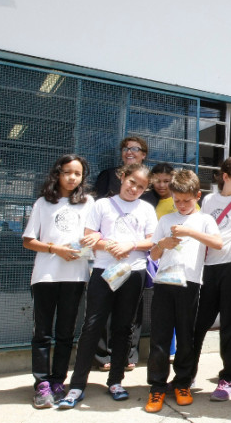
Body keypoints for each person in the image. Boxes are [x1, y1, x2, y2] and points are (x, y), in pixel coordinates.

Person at [58, 163, 157, 409]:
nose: (134, 188)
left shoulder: (146, 209)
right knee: (92, 325)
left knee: (124, 328)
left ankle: (116, 381)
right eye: (132, 181)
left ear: (146, 190)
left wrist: (130, 246)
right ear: (122, 177)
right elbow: (89, 238)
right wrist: (112, 245)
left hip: (133, 272)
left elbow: (151, 241)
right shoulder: (100, 205)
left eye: (141, 186)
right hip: (103, 272)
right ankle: (77, 384)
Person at [144, 170, 223, 413]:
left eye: (186, 200)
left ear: (198, 196)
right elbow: (153, 255)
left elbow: (218, 243)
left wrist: (189, 232)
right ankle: (157, 386)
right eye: (177, 200)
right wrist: (162, 244)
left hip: (190, 284)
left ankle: (182, 382)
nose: (181, 205)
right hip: (164, 283)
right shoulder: (165, 220)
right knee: (160, 337)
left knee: (186, 337)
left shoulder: (205, 220)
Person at [22, 154, 96, 408]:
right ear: (57, 174)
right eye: (67, 172)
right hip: (45, 276)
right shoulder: (43, 203)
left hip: (75, 277)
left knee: (65, 333)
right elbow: (28, 240)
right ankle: (41, 384)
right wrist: (56, 249)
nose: (72, 177)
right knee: (42, 333)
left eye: (77, 173)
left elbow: (92, 241)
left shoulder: (88, 203)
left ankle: (57, 381)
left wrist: (81, 249)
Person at [192, 157, 231, 402]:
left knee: (230, 323)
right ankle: (187, 373)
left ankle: (228, 378)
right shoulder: (207, 200)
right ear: (225, 176)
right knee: (199, 322)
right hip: (208, 266)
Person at [92, 136, 149, 373]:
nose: (129, 152)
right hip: (107, 258)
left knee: (132, 312)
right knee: (102, 312)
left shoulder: (149, 183)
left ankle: (128, 353)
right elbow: (93, 225)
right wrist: (106, 244)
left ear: (144, 154)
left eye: (135, 149)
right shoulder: (107, 176)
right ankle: (103, 355)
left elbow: (153, 228)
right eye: (126, 148)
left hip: (135, 260)